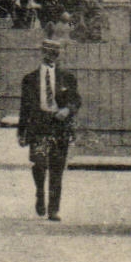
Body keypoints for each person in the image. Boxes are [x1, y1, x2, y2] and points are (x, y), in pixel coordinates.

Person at [17, 39, 82, 221]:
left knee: (57, 168)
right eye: (47, 52)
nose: (50, 56)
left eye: (54, 53)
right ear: (41, 53)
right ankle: (40, 193)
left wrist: (67, 110)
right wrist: (21, 132)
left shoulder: (67, 78)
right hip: (39, 126)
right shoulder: (30, 79)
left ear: (58, 55)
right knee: (39, 164)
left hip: (59, 127)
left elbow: (76, 100)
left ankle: (53, 208)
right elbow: (24, 107)